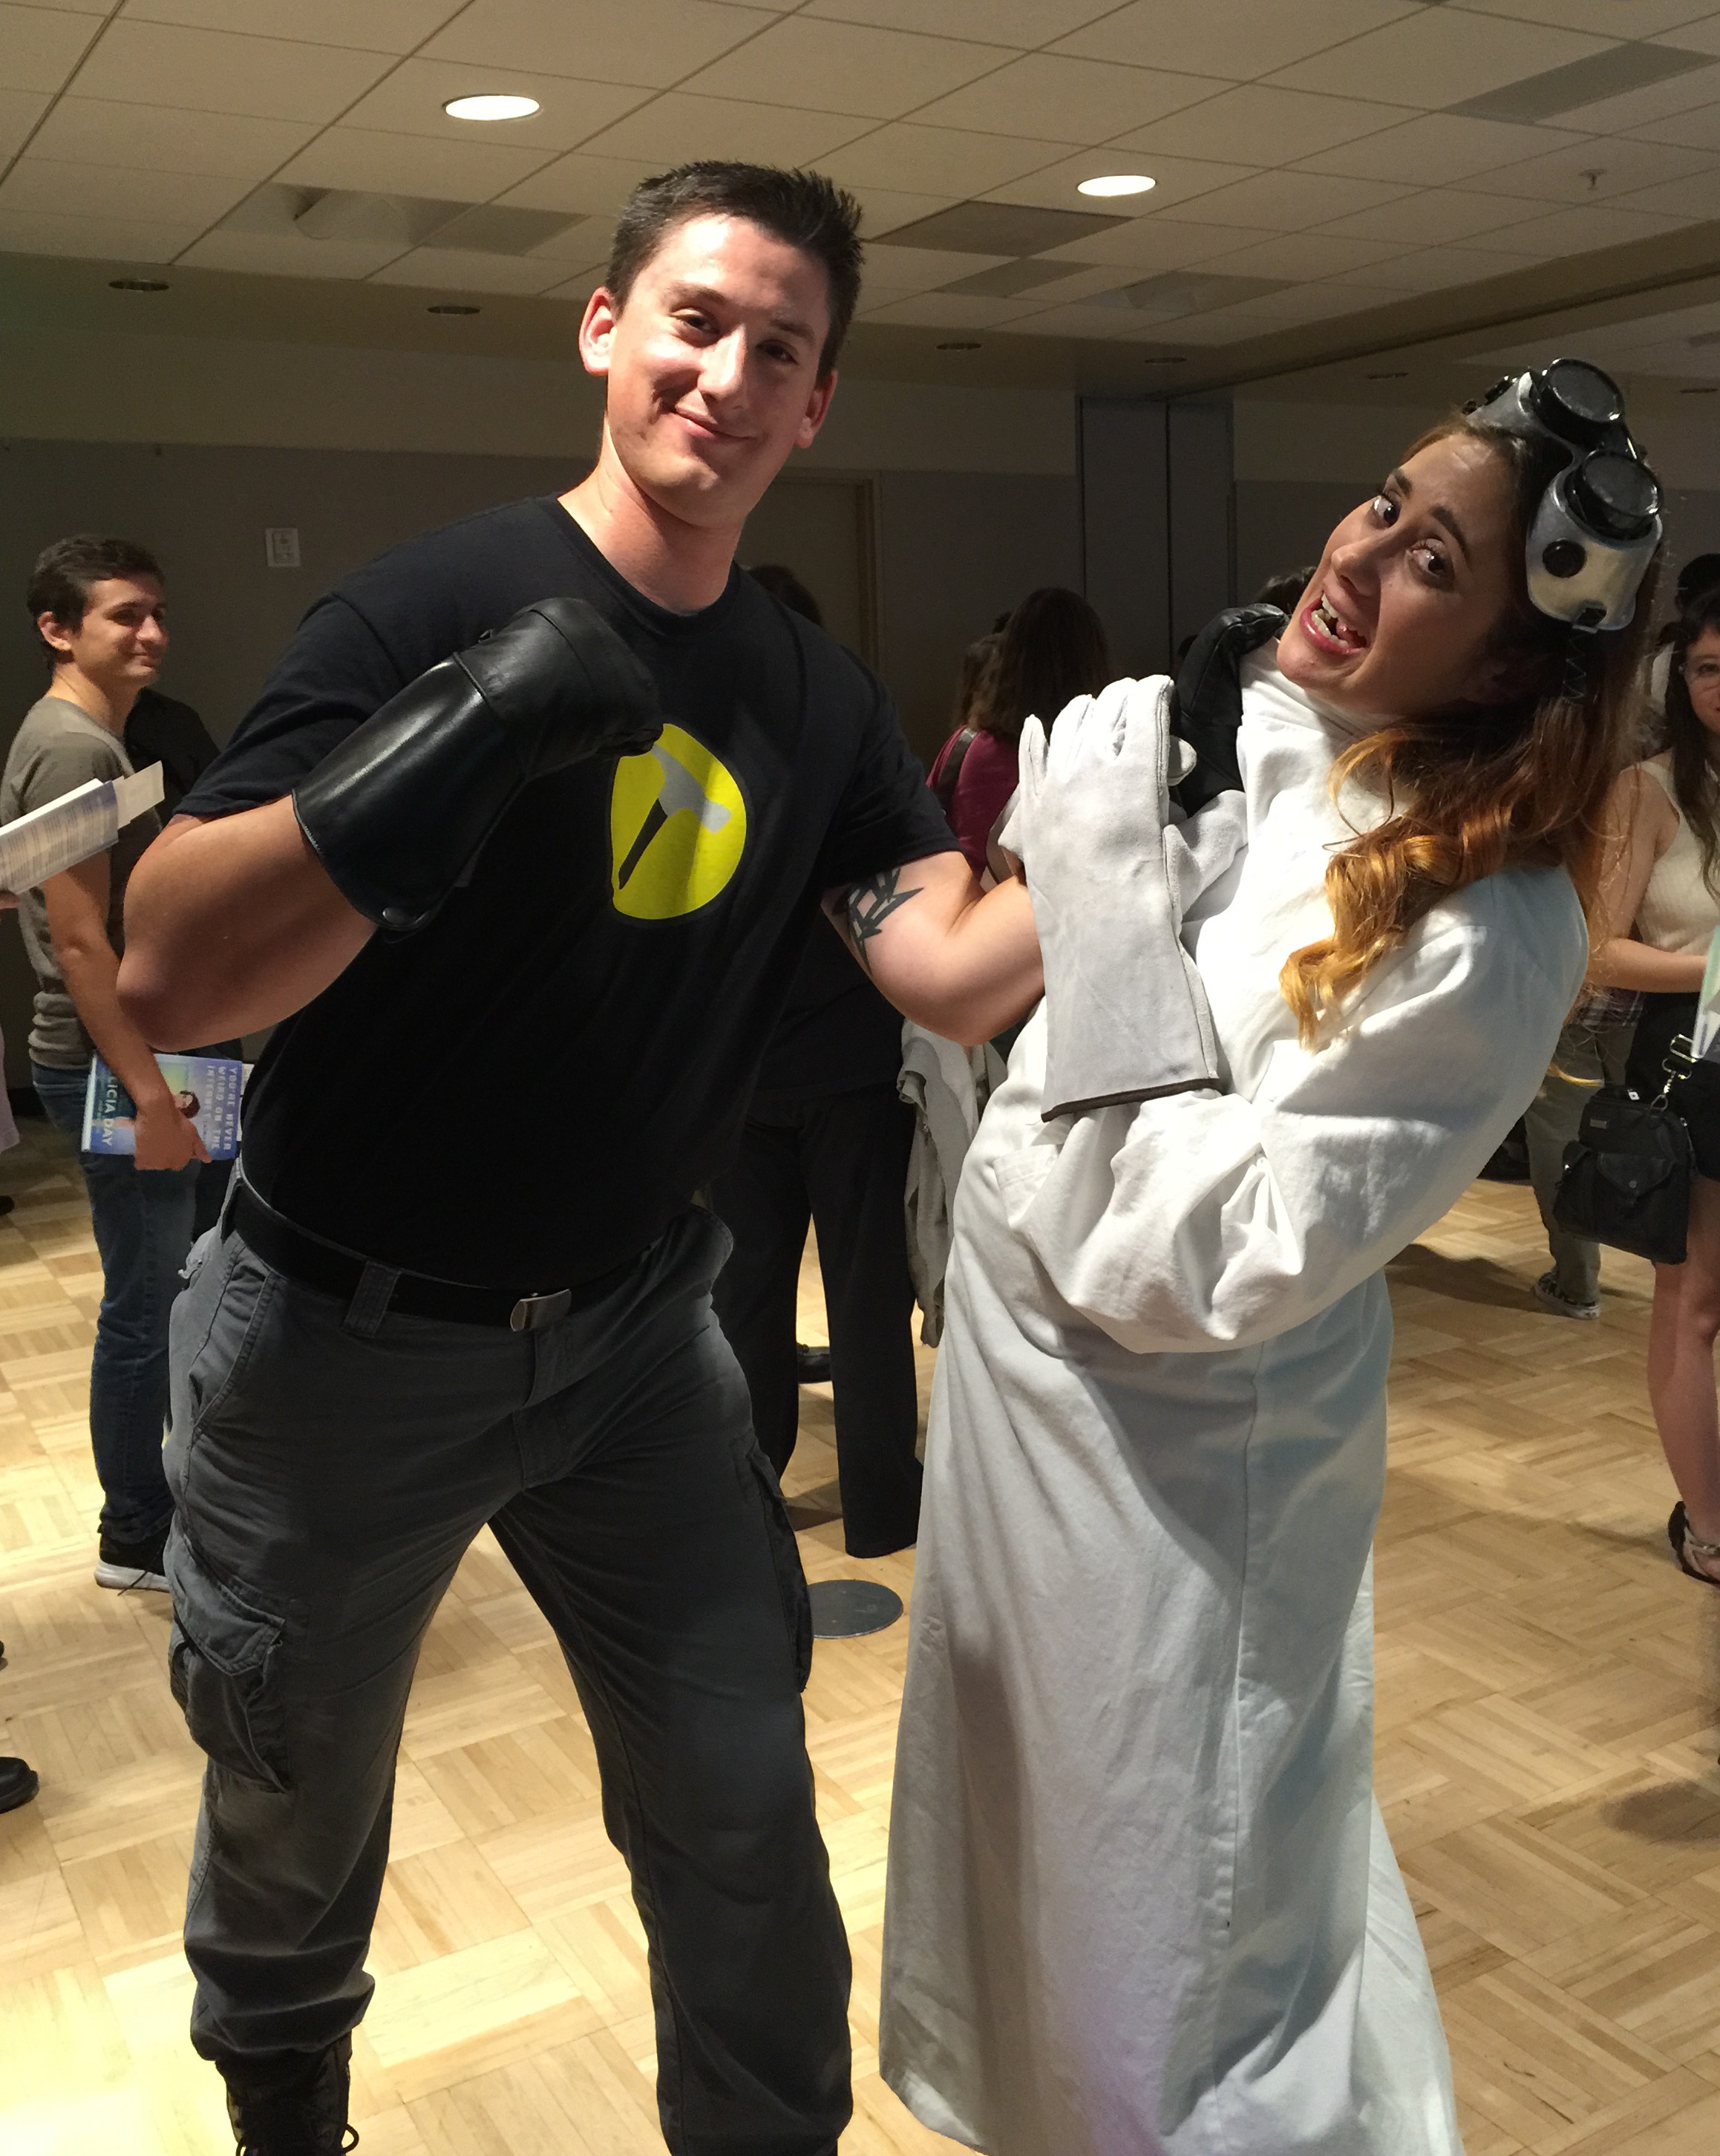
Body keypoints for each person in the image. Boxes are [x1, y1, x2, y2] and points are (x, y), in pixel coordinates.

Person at [115, 161, 1041, 2155]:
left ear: (816, 406)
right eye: (696, 321)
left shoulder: (807, 694)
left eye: (779, 350)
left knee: (740, 1798)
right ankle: (286, 2115)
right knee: (290, 1803)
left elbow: (949, 968)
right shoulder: (430, 605)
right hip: (341, 1340)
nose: (727, 374)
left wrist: (1183, 812)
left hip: (632, 1341)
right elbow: (174, 966)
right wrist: (457, 733)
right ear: (605, 326)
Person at [880, 362, 1661, 2155]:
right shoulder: (1258, 778)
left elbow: (1208, 1257)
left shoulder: (1487, 927)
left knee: (1186, 1985)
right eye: (1384, 504)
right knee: (1040, 1940)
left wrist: (1101, 910)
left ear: (1509, 667)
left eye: (1434, 562)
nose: (1360, 557)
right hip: (1033, 1479)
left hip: (1171, 1520)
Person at [0, 535, 209, 1599]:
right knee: (145, 1304)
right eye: (126, 614)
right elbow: (83, 948)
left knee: (174, 1289)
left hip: (132, 1054)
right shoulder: (77, 748)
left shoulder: (92, 742)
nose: (153, 632)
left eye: (158, 611)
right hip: (110, 1064)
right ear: (57, 628)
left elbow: (46, 878)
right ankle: (134, 1534)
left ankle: (166, 1503)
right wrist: (149, 1094)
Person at [710, 565, 922, 1558]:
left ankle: (752, 1507)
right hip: (853, 1066)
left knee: (745, 1298)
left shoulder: (697, 764)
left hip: (742, 1074)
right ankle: (882, 1509)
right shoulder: (850, 753)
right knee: (867, 1297)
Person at [1588, 589, 1720, 1584]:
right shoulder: (1650, 789)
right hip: (1698, 1071)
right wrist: (1716, 971)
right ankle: (1709, 1525)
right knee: (1694, 1301)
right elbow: (1598, 951)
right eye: (1710, 669)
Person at [927, 588, 1108, 872]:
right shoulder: (1101, 756)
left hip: (964, 897)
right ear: (1095, 661)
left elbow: (920, 838)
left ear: (1007, 659)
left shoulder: (964, 746)